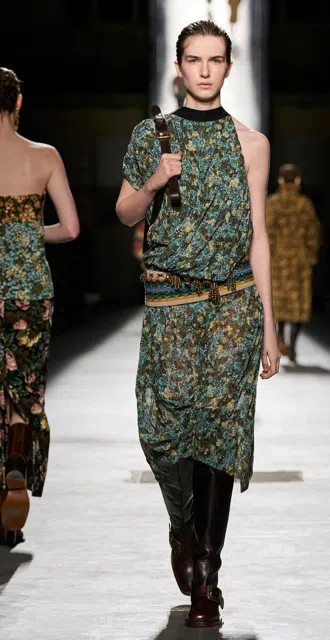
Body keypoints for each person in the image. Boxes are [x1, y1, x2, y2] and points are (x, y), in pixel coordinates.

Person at [116, 21, 279, 628]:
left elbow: (259, 236)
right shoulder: (151, 136)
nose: (205, 70)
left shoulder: (252, 144)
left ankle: (207, 576)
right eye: (194, 59)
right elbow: (125, 210)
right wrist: (156, 179)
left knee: (218, 438)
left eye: (215, 60)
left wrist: (269, 328)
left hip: (233, 307)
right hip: (170, 308)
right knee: (161, 435)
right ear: (179, 67)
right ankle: (182, 527)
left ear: (228, 67)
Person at [0, 68, 80, 548]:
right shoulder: (44, 155)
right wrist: (27, 234)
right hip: (29, 291)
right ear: (18, 103)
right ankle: (15, 461)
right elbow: (70, 228)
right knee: (23, 390)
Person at [267, 164, 321, 363]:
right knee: (299, 305)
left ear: (280, 180)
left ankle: (281, 337)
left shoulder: (272, 203)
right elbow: (313, 233)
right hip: (299, 261)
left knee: (280, 303)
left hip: (278, 261)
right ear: (298, 180)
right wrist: (311, 256)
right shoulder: (304, 204)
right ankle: (293, 345)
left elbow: (267, 233)